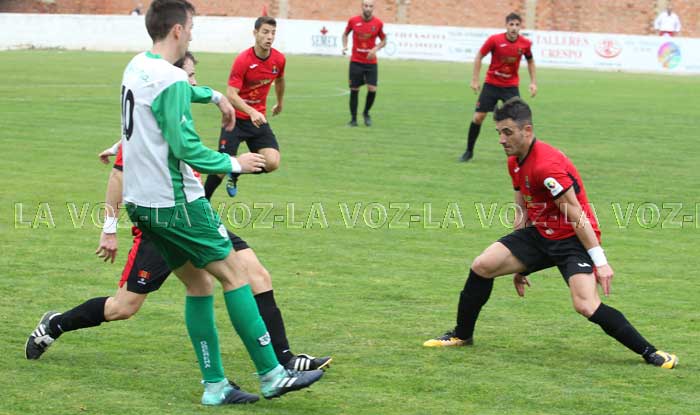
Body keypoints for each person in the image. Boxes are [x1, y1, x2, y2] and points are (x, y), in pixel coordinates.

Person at [41, 0, 322, 405]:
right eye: (191, 27)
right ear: (177, 29)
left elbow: (168, 99)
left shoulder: (137, 66)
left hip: (143, 205)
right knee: (235, 275)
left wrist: (213, 95)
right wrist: (235, 163)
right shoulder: (170, 78)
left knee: (199, 284)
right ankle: (272, 374)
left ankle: (216, 386)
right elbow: (186, 147)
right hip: (177, 203)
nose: (192, 33)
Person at [425, 97, 678, 370]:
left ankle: (651, 352)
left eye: (507, 132)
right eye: (498, 132)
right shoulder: (514, 161)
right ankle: (462, 335)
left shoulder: (546, 166)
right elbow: (522, 207)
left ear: (527, 130)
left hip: (572, 239)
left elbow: (576, 215)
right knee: (483, 265)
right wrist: (520, 263)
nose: (501, 139)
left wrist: (601, 262)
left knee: (585, 305)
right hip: (540, 234)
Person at [203, 16, 286, 199]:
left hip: (257, 120)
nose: (269, 37)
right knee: (221, 166)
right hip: (235, 119)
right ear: (255, 33)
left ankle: (236, 171)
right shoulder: (243, 60)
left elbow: (280, 80)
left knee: (272, 162)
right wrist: (251, 111)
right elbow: (231, 94)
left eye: (273, 33)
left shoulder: (279, 59)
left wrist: (280, 102)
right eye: (265, 32)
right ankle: (202, 202)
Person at [459, 12, 536, 163]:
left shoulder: (525, 44)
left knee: (519, 121)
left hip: (510, 87)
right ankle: (468, 151)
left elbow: (530, 61)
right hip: (492, 85)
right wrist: (475, 80)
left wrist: (533, 82)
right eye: (511, 24)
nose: (514, 28)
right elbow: (479, 56)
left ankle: (524, 154)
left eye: (517, 25)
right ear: (506, 25)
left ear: (520, 27)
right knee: (478, 117)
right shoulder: (494, 40)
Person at [342, 0, 386, 127]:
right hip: (356, 61)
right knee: (354, 89)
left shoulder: (378, 23)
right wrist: (345, 46)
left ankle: (366, 113)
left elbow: (384, 40)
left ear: (373, 8)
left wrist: (375, 49)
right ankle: (353, 120)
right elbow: (345, 34)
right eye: (366, 6)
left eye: (370, 6)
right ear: (362, 7)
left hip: (371, 62)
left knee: (372, 89)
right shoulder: (353, 21)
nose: (368, 8)